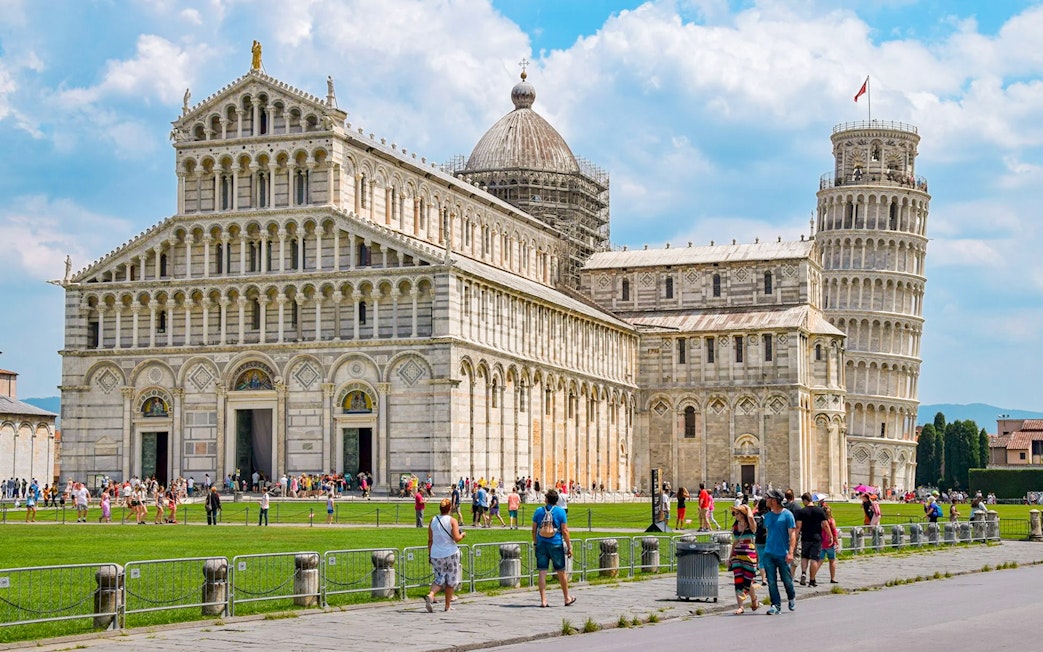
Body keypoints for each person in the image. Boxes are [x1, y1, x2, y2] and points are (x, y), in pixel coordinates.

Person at [532, 489, 575, 608]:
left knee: (542, 572)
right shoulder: (561, 512)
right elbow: (565, 531)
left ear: (546, 499)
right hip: (555, 543)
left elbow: (534, 530)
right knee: (561, 572)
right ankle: (566, 598)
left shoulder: (538, 511)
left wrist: (535, 543)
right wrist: (569, 546)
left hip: (541, 543)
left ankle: (543, 600)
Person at [424, 498, 465, 612]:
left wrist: (429, 554)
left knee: (440, 577)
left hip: (436, 554)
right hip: (450, 553)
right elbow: (456, 538)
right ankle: (447, 606)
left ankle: (431, 594)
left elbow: (430, 540)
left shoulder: (433, 520)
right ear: (450, 508)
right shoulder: (452, 521)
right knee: (450, 580)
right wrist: (463, 535)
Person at [762, 488, 797, 615]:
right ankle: (775, 605)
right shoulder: (768, 516)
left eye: (768, 498)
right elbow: (768, 533)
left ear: (775, 500)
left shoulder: (787, 515)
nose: (766, 500)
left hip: (783, 553)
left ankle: (791, 596)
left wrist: (791, 552)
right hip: (769, 553)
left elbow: (792, 535)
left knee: (786, 580)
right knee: (771, 581)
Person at [729, 501, 759, 614]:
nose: (735, 515)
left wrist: (747, 507)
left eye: (736, 513)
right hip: (737, 555)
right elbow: (735, 542)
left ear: (742, 514)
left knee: (748, 580)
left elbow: (750, 517)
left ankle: (754, 599)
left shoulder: (751, 526)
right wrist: (730, 557)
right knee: (738, 580)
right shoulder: (736, 526)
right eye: (734, 513)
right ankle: (741, 606)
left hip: (749, 555)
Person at [795, 493, 827, 587]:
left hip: (805, 537)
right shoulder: (820, 510)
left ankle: (804, 572)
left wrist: (795, 538)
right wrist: (831, 536)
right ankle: (812, 580)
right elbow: (825, 525)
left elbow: (798, 527)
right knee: (814, 559)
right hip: (816, 537)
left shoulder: (802, 511)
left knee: (804, 557)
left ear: (805, 500)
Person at [820, 504, 839, 584]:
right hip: (830, 543)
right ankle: (833, 578)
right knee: (832, 560)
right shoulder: (831, 521)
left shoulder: (820, 521)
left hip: (821, 543)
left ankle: (812, 577)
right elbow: (834, 532)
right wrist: (836, 542)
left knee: (819, 561)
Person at [754, 497, 769, 585]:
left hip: (758, 539)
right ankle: (767, 577)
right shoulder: (768, 515)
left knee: (761, 559)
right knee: (769, 559)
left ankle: (763, 579)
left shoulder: (756, 515)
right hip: (767, 539)